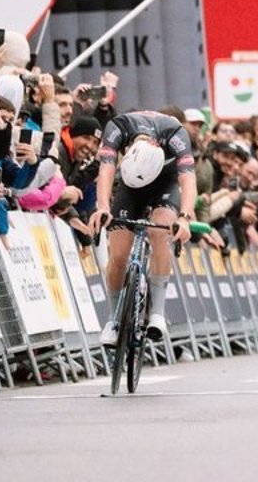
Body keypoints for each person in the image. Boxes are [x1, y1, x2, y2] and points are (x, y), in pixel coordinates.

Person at [89, 111, 196, 346]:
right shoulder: (117, 127)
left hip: (165, 183)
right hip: (130, 183)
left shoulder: (176, 133)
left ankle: (157, 312)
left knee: (159, 232)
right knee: (118, 255)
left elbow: (188, 179)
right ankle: (113, 319)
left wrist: (185, 217)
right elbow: (106, 169)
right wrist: (103, 207)